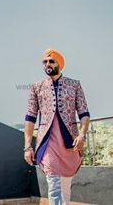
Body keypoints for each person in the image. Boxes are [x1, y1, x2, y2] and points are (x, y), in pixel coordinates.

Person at [24, 49, 90, 205]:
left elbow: (84, 114)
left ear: (59, 63)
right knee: (53, 184)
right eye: (45, 61)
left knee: (65, 186)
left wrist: (82, 135)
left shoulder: (74, 85)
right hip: (48, 144)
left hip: (70, 143)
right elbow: (29, 118)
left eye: (51, 61)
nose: (47, 64)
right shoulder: (36, 87)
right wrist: (27, 147)